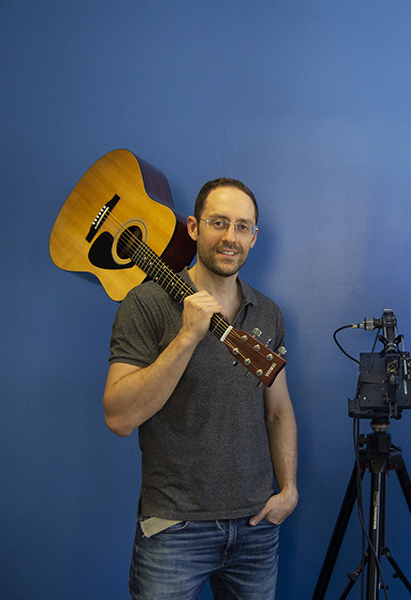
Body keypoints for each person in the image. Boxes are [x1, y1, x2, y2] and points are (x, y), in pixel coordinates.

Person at [103, 177, 298, 600]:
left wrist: (288, 490)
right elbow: (118, 417)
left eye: (242, 227)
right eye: (219, 222)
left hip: (255, 527)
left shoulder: (267, 312)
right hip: (174, 527)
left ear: (254, 237)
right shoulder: (146, 303)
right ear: (193, 227)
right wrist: (187, 337)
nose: (231, 237)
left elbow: (278, 410)